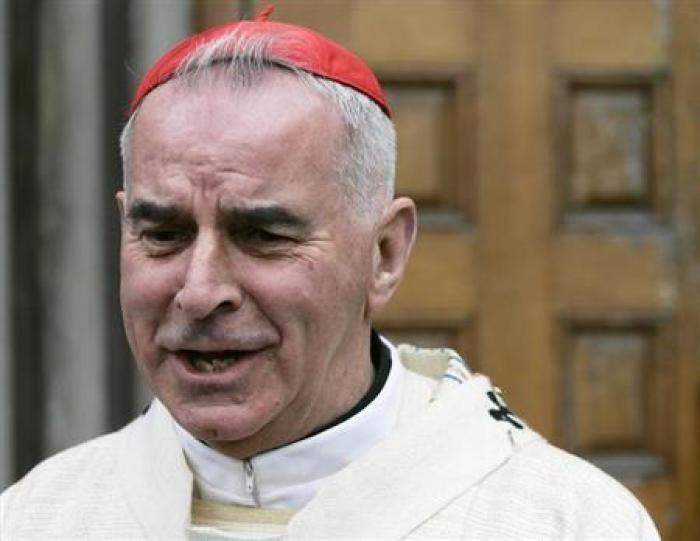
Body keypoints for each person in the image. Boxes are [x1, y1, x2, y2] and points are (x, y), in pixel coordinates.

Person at [1, 7, 659, 539]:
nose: (199, 291)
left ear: (384, 254)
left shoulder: (562, 522)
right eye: (164, 234)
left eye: (262, 234)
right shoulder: (39, 517)